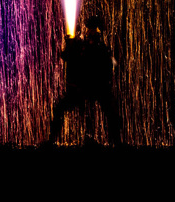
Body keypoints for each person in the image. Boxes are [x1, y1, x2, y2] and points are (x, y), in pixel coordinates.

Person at [48, 15, 123, 146]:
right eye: (90, 28)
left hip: (98, 88)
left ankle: (116, 142)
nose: (91, 31)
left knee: (112, 112)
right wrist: (70, 44)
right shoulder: (81, 45)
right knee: (59, 108)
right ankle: (52, 140)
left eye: (94, 29)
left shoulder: (102, 48)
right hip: (82, 89)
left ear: (99, 31)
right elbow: (65, 56)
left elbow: (112, 65)